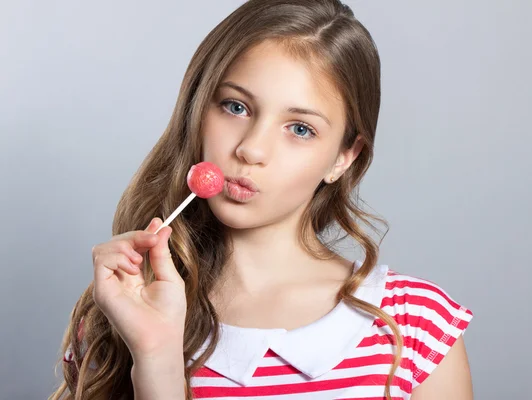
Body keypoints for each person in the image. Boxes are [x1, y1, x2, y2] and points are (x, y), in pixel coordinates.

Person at [51, 1, 474, 399]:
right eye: (235, 107)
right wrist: (156, 360)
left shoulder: (416, 328)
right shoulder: (121, 315)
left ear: (344, 157)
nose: (251, 149)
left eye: (300, 129)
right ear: (198, 108)